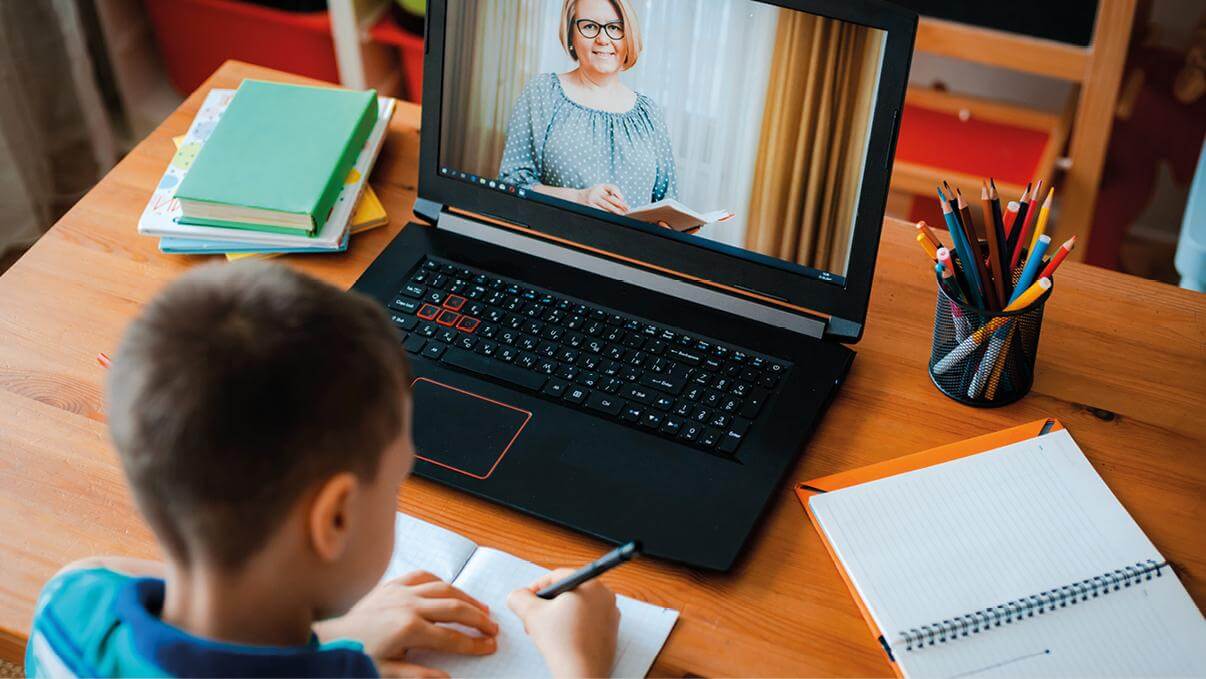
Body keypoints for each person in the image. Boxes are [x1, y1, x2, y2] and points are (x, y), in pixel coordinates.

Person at [24, 262, 620, 678]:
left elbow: (102, 567)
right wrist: (580, 665)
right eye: (395, 484)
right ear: (333, 517)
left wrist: (336, 639)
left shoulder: (71, 605)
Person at [499, 0, 678, 217]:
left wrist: (676, 225)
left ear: (628, 36)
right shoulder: (543, 92)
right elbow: (512, 186)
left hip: (628, 250)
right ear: (571, 35)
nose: (603, 39)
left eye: (614, 27)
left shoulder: (649, 114)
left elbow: (667, 203)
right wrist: (579, 198)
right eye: (590, 26)